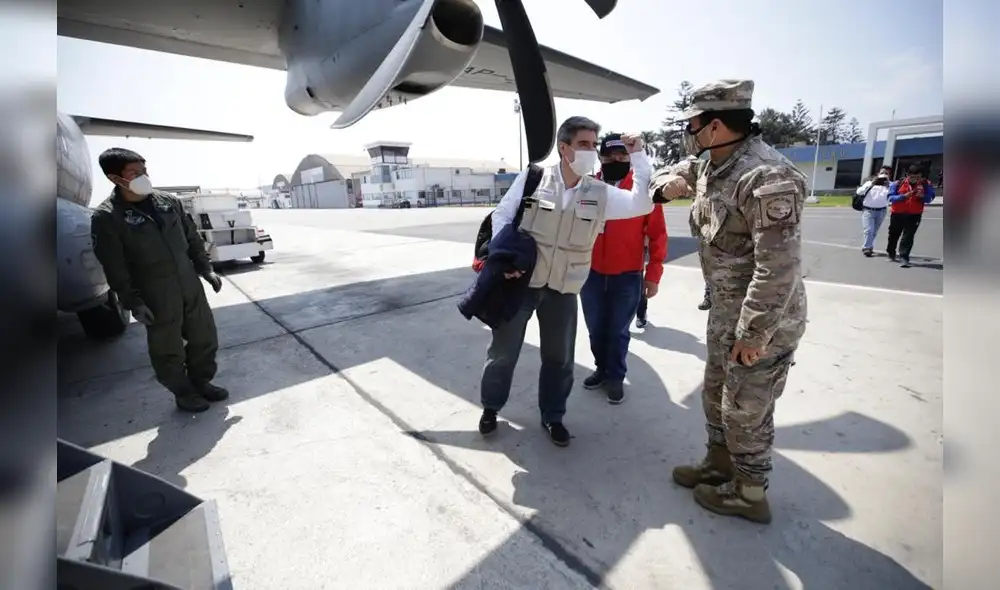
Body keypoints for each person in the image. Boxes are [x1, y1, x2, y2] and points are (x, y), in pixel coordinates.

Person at [649, 79, 808, 524]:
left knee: (746, 409)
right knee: (717, 394)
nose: (689, 131)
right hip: (725, 312)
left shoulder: (766, 177)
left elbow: (778, 267)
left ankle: (751, 493)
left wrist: (754, 334)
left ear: (714, 126)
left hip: (762, 320)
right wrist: (671, 180)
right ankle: (719, 465)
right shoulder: (715, 163)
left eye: (692, 124)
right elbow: (673, 171)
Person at [478, 117, 653, 447]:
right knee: (503, 352)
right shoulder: (534, 179)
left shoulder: (599, 193)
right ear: (564, 148)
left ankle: (553, 415)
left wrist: (639, 156)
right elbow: (501, 216)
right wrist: (504, 260)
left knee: (559, 359)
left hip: (563, 288)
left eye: (593, 145)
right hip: (521, 283)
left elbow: (641, 203)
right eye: (584, 144)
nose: (592, 151)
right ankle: (491, 407)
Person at [91, 148, 229, 413]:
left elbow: (191, 238)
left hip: (188, 282)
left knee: (204, 337)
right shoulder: (107, 217)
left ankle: (201, 383)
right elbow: (114, 265)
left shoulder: (168, 202)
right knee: (168, 348)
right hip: (154, 291)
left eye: (144, 170)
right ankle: (184, 393)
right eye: (134, 173)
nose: (143, 177)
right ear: (115, 178)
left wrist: (205, 268)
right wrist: (132, 301)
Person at [580, 133, 667, 404]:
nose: (615, 161)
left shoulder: (641, 191)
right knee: (595, 328)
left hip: (627, 275)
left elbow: (658, 236)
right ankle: (601, 368)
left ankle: (615, 377)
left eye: (621, 157)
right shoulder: (589, 186)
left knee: (618, 330)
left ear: (630, 158)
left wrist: (653, 276)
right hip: (590, 275)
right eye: (609, 157)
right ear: (600, 158)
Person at [886, 164, 936, 267]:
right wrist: (902, 197)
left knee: (908, 236)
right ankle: (891, 253)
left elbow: (930, 198)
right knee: (894, 235)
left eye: (917, 177)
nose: (914, 179)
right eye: (911, 176)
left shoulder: (926, 184)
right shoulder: (897, 183)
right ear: (907, 175)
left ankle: (904, 257)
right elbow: (890, 198)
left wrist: (923, 197)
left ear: (921, 175)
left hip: (914, 214)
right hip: (897, 214)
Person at [855, 171, 892, 256]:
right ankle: (866, 247)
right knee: (869, 230)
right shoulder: (869, 183)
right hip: (868, 210)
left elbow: (890, 197)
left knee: (874, 231)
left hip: (881, 211)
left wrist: (888, 187)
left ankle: (869, 246)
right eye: (881, 178)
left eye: (885, 178)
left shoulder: (889, 185)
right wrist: (872, 183)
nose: (882, 180)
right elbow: (859, 192)